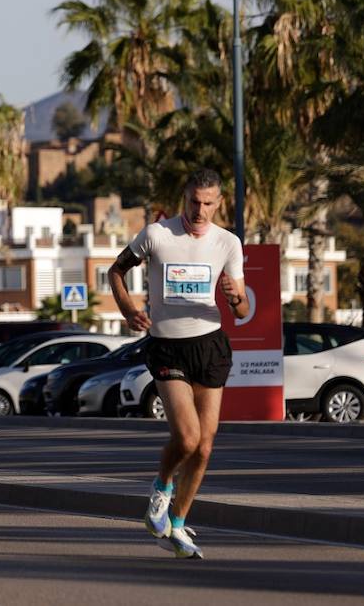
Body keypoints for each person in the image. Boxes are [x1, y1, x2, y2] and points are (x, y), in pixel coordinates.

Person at [108, 168, 247, 560]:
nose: (200, 210)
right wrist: (128, 309)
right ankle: (162, 487)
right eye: (193, 202)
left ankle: (180, 524)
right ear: (183, 198)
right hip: (168, 347)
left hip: (210, 345)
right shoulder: (157, 234)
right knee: (186, 437)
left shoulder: (228, 243)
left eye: (208, 203)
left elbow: (242, 308)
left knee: (204, 447)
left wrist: (236, 296)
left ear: (219, 203)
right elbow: (115, 271)